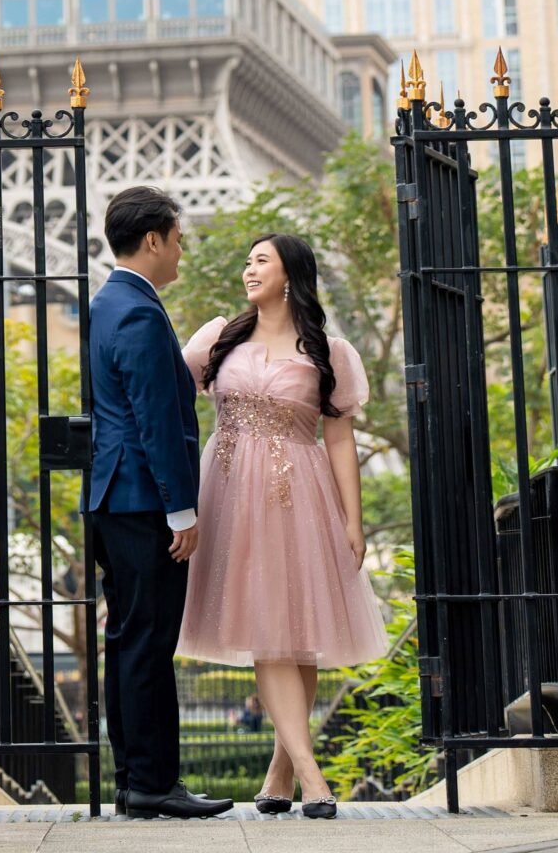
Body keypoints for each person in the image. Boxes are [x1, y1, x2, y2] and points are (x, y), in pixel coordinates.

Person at [177, 231, 389, 821]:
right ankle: (312, 777)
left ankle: (280, 770)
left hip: (299, 497)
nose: (249, 270)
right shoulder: (218, 338)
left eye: (261, 261)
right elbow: (166, 397)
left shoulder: (330, 352)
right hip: (228, 496)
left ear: (290, 275)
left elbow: (339, 440)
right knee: (269, 630)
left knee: (296, 635)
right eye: (247, 261)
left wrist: (354, 521)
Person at [88, 185, 232, 820]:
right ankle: (152, 782)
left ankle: (134, 779)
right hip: (144, 501)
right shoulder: (141, 312)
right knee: (147, 642)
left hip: (112, 496)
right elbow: (157, 419)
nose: (181, 252)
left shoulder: (107, 302)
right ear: (153, 239)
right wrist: (182, 510)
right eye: (177, 240)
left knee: (128, 640)